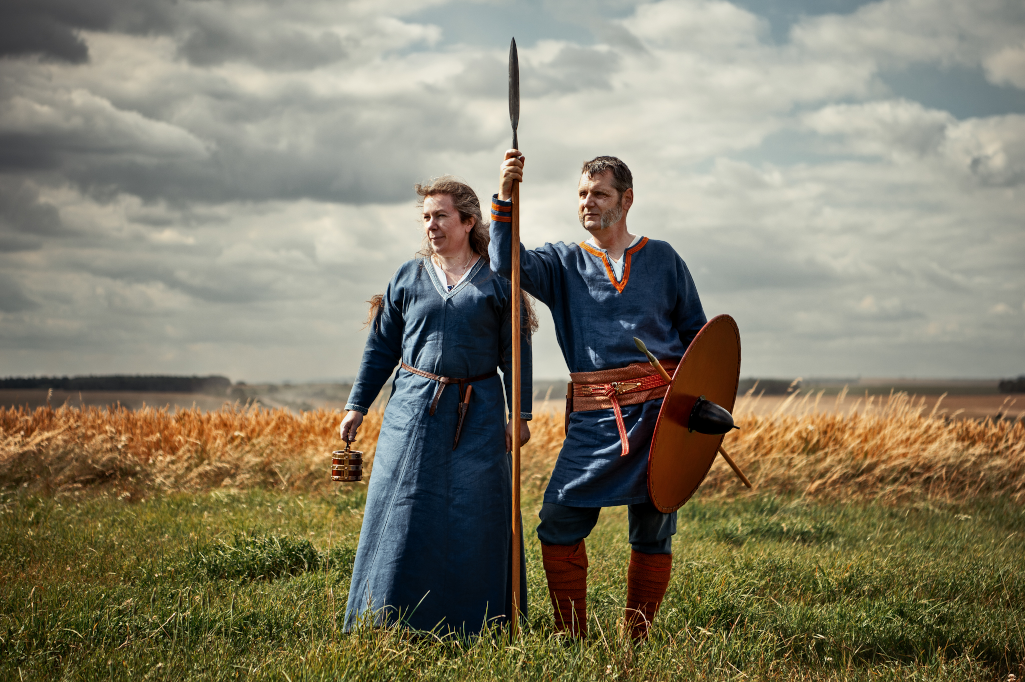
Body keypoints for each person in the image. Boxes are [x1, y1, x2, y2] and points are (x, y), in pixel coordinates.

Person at [489, 152, 706, 640]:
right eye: (582, 194)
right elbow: (506, 262)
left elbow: (697, 336)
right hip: (596, 417)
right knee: (558, 519)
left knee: (653, 529)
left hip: (660, 417)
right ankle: (573, 637)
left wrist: (699, 407)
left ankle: (636, 638)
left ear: (626, 199)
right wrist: (505, 194)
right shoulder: (563, 262)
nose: (588, 202)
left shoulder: (664, 258)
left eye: (599, 193)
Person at [340, 176, 533, 636]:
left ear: (468, 221)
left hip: (481, 411)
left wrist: (519, 415)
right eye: (426, 217)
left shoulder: (497, 281)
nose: (431, 225)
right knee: (403, 508)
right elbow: (381, 349)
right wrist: (357, 405)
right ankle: (387, 619)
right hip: (411, 411)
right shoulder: (407, 278)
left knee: (478, 514)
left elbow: (516, 354)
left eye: (441, 216)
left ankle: (480, 623)